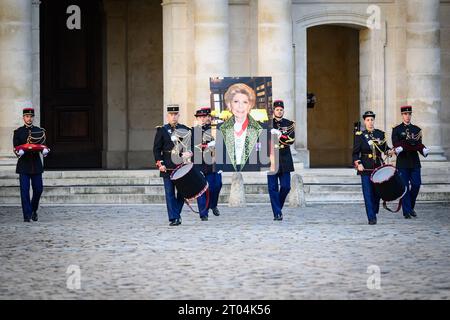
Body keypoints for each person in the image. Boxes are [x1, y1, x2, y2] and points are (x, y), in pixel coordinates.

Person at [153, 104, 192, 226]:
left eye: (175, 114)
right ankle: (174, 218)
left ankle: (176, 214)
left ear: (178, 115)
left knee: (182, 193)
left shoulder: (185, 129)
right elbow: (156, 149)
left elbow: (192, 147)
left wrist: (189, 153)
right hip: (167, 166)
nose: (173, 117)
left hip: (181, 166)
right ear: (167, 116)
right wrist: (160, 164)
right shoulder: (162, 130)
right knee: (169, 193)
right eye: (171, 115)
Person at [352, 111, 393, 225]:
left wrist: (389, 151)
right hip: (365, 168)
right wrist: (358, 163)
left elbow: (385, 148)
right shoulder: (360, 136)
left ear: (374, 121)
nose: (370, 122)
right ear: (365, 121)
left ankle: (374, 210)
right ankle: (371, 217)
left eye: (372, 120)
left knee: (377, 192)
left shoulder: (380, 134)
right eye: (368, 120)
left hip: (378, 168)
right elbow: (355, 153)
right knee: (368, 193)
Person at [217, 83, 269, 172]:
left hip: (252, 174)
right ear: (229, 105)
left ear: (250, 105)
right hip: (229, 174)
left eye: (245, 102)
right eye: (236, 101)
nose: (240, 106)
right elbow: (219, 154)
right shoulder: (221, 127)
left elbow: (264, 156)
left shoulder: (261, 128)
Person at [13, 107, 50, 222]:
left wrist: (45, 151)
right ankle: (27, 215)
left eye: (31, 116)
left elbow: (44, 145)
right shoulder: (18, 132)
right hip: (24, 165)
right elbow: (15, 147)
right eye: (27, 116)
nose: (29, 118)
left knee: (38, 189)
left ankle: (33, 209)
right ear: (23, 117)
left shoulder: (39, 130)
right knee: (24, 191)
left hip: (36, 165)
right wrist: (19, 152)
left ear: (33, 117)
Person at [392, 105, 429, 219]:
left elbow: (418, 145)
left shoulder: (416, 130)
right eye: (405, 114)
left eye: (409, 114)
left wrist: (421, 149)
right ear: (402, 115)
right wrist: (407, 146)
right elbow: (395, 144)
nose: (407, 116)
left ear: (411, 115)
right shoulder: (396, 129)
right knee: (405, 187)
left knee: (416, 184)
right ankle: (406, 211)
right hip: (402, 162)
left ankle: (410, 206)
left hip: (414, 162)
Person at [191, 107, 223, 220]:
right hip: (199, 163)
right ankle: (203, 213)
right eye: (201, 117)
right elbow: (191, 147)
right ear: (198, 119)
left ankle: (213, 205)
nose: (204, 119)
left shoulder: (216, 129)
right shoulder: (193, 131)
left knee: (216, 185)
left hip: (214, 162)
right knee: (201, 189)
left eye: (206, 117)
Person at [267, 100, 295, 221]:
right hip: (271, 159)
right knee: (272, 188)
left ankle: (278, 206)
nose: (279, 111)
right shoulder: (267, 124)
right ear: (273, 111)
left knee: (286, 186)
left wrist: (279, 135)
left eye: (281, 109)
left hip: (285, 158)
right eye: (277, 109)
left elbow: (291, 140)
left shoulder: (289, 124)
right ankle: (277, 213)